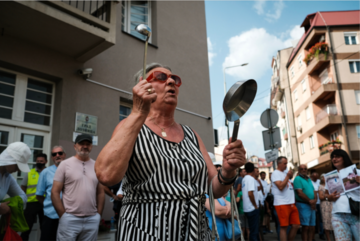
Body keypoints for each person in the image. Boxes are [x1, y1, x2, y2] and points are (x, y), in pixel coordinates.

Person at [95, 63, 246, 240]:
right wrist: (137, 113)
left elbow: (215, 190)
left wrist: (228, 170)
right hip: (144, 231)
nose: (171, 82)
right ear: (142, 86)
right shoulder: (130, 127)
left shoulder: (192, 135)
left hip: (195, 232)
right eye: (160, 77)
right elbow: (106, 175)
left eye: (174, 79)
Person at [52, 134, 105, 241]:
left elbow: (100, 192)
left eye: (88, 144)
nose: (85, 146)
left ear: (91, 146)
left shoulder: (97, 166)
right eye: (81, 144)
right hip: (70, 218)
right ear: (75, 146)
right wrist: (63, 215)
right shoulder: (65, 164)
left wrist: (98, 215)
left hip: (92, 219)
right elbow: (55, 192)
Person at [324, 149, 360, 240]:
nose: (334, 159)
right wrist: (329, 197)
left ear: (344, 158)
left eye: (337, 156)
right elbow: (326, 195)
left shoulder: (357, 172)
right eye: (333, 157)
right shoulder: (330, 176)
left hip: (356, 213)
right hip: (338, 215)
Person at [35, 146, 66, 241]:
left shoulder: (72, 170)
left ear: (64, 155)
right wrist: (50, 204)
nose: (57, 155)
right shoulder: (46, 172)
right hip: (51, 215)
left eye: (60, 153)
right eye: (54, 154)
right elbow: (39, 195)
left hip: (70, 215)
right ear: (52, 158)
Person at [271, 156, 300, 241]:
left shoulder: (284, 173)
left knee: (296, 225)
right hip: (282, 203)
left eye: (286, 163)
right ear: (279, 163)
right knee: (284, 227)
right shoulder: (276, 173)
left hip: (291, 203)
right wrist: (288, 177)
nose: (286, 165)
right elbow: (280, 187)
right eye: (284, 163)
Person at [20, 153, 47, 240]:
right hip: (31, 203)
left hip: (45, 203)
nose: (39, 162)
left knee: (45, 228)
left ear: (46, 161)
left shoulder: (49, 173)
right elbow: (23, 187)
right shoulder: (29, 173)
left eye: (41, 161)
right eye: (38, 161)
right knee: (26, 228)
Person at [0, 142, 30, 217]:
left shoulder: (8, 177)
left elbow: (23, 196)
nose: (19, 170)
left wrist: (10, 205)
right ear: (10, 159)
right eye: (17, 165)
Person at [293, 164, 316, 241]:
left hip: (312, 205)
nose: (304, 170)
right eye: (302, 169)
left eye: (305, 169)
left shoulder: (309, 179)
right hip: (303, 205)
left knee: (312, 227)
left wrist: (315, 200)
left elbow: (314, 191)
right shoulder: (297, 179)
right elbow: (300, 193)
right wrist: (310, 201)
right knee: (305, 227)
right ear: (299, 170)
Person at [243, 162, 260, 241]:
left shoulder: (244, 179)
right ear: (253, 170)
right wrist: (255, 205)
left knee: (253, 231)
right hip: (252, 208)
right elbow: (250, 193)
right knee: (254, 232)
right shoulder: (251, 179)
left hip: (247, 209)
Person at [318, 174, 333, 241]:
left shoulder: (331, 185)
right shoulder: (321, 186)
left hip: (332, 204)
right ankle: (328, 239)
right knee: (326, 222)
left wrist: (327, 196)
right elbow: (321, 197)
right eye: (324, 177)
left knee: (333, 222)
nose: (325, 178)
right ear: (321, 179)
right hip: (325, 206)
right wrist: (327, 197)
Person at [311, 171, 325, 240]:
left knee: (321, 219)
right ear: (312, 177)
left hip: (320, 203)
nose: (316, 179)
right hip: (314, 203)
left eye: (317, 177)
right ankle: (313, 235)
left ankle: (321, 233)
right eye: (314, 177)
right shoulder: (310, 182)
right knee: (313, 219)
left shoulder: (319, 181)